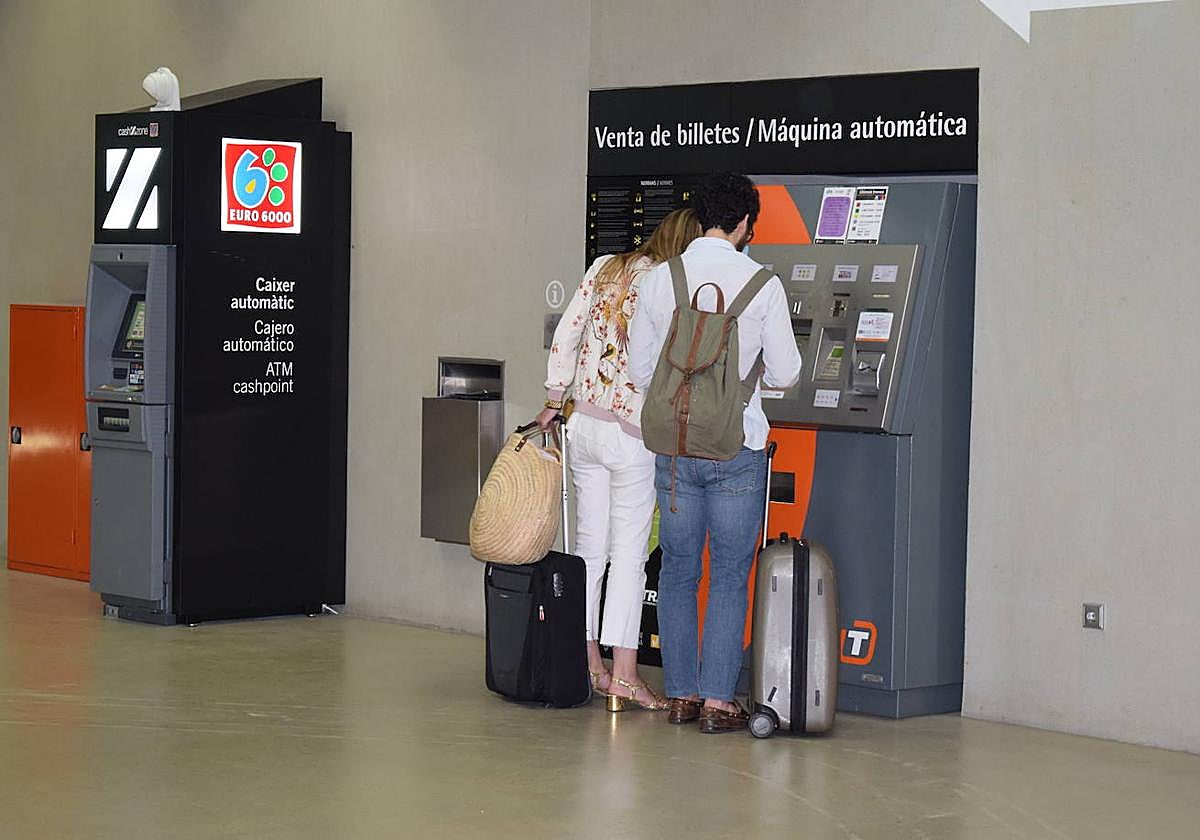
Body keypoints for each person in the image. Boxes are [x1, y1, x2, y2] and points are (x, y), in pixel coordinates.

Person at [627, 173, 802, 733]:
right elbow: (787, 372)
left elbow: (639, 370)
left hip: (676, 450)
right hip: (736, 448)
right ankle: (717, 701)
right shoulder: (762, 284)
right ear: (746, 223)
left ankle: (680, 694)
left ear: (700, 217)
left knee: (678, 570)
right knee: (729, 574)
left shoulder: (662, 280)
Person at [537, 208, 703, 711]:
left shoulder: (605, 266)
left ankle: (590, 663)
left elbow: (567, 332)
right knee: (629, 557)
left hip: (583, 426)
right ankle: (626, 676)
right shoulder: (667, 284)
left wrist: (554, 396)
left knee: (590, 551)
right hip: (630, 434)